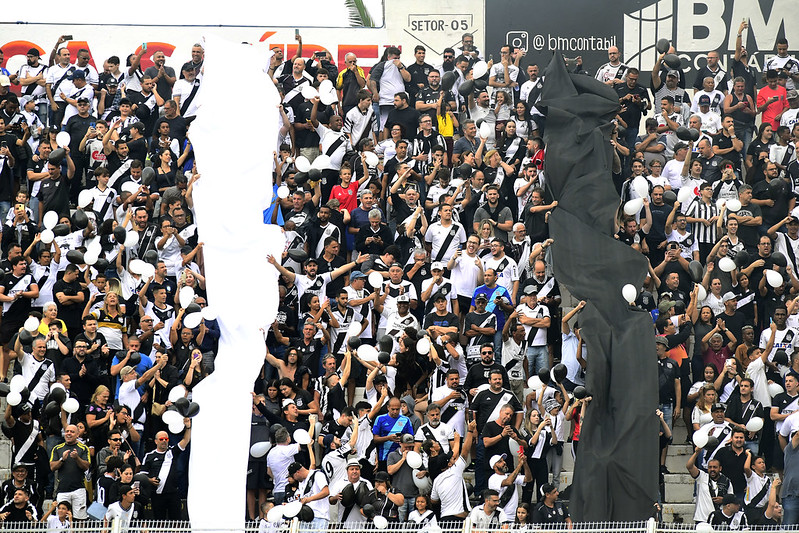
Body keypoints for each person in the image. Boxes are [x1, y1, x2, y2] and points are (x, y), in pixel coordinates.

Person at [140, 419, 191, 520]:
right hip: (157, 494)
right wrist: (150, 480)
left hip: (173, 493)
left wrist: (188, 427)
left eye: (166, 439)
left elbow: (185, 440)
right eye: (161, 439)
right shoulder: (149, 456)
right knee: (159, 522)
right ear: (156, 441)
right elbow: (142, 475)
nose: (164, 441)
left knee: (176, 522)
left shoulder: (172, 452)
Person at [49, 424, 91, 521]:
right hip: (62, 490)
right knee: (61, 519)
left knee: (80, 520)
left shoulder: (83, 448)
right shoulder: (57, 448)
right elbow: (52, 467)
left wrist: (77, 458)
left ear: (77, 434)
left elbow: (86, 466)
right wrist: (62, 460)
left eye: (72, 432)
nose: (68, 434)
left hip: (79, 489)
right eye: (67, 431)